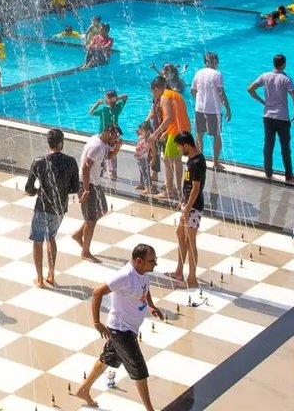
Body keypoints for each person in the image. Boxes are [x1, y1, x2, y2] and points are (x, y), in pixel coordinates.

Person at [71, 244, 166, 411]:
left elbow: (145, 288)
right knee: (140, 369)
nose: (155, 264)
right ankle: (150, 410)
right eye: (151, 261)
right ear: (138, 261)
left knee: (107, 359)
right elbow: (97, 292)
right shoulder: (125, 276)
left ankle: (83, 389)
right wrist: (96, 323)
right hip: (121, 331)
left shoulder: (142, 272)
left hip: (127, 329)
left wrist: (151, 305)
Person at [25, 128, 82, 288]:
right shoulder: (71, 162)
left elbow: (29, 188)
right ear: (61, 143)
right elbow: (74, 188)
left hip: (42, 206)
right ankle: (51, 274)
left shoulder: (38, 162)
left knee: (37, 240)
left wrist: (37, 192)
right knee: (51, 238)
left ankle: (40, 279)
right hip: (59, 209)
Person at [247, 54, 294, 183]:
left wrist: (262, 101)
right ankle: (289, 176)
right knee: (285, 147)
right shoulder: (286, 79)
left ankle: (268, 173)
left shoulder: (265, 76)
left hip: (268, 117)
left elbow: (250, 89)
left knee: (268, 145)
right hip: (282, 118)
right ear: (283, 64)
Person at [75, 126, 121, 262]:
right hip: (87, 184)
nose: (114, 141)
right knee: (91, 219)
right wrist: (86, 190)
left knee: (102, 209)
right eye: (114, 138)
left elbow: (108, 156)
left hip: (95, 183)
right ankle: (85, 252)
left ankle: (78, 235)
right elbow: (85, 168)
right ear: (108, 133)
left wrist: (116, 149)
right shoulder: (96, 146)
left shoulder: (102, 144)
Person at [169, 132, 205, 289]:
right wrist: (182, 201)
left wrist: (187, 209)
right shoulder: (191, 158)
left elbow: (196, 189)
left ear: (186, 145)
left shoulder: (197, 161)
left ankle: (192, 279)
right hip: (188, 204)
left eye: (179, 146)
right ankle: (179, 271)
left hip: (194, 206)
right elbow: (188, 184)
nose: (178, 149)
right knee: (180, 234)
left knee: (190, 241)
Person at [150, 76, 189, 200]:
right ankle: (178, 190)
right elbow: (178, 116)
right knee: (177, 160)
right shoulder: (175, 94)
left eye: (153, 92)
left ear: (156, 89)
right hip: (185, 130)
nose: (153, 95)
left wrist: (155, 134)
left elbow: (169, 118)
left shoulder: (164, 96)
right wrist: (165, 133)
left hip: (176, 132)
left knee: (167, 160)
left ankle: (169, 191)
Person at [190, 52, 231, 171]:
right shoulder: (217, 74)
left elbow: (193, 91)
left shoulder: (198, 73)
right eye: (216, 61)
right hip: (213, 109)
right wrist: (228, 107)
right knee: (217, 135)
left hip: (199, 108)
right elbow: (221, 93)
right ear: (215, 61)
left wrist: (201, 99)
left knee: (199, 134)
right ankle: (215, 162)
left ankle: (198, 160)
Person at [133, 121, 156, 194]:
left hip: (145, 159)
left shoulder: (149, 139)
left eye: (142, 131)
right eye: (140, 130)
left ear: (148, 131)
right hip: (139, 157)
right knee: (141, 172)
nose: (140, 132)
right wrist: (139, 131)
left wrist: (153, 159)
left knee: (146, 173)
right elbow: (138, 134)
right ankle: (142, 184)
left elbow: (154, 150)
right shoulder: (141, 137)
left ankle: (148, 187)